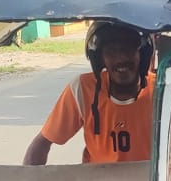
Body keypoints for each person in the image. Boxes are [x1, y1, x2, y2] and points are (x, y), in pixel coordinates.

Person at [24, 22, 154, 165]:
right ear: (100, 59)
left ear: (143, 55)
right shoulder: (83, 90)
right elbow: (42, 143)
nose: (121, 58)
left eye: (128, 49)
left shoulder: (160, 90)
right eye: (111, 51)